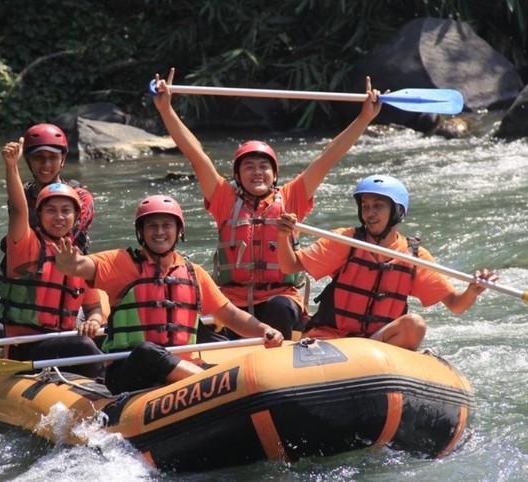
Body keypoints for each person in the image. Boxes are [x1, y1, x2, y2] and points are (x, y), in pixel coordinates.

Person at [151, 68, 383, 338]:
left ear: (275, 175)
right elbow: (196, 154)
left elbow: (328, 155)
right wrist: (166, 110)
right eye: (249, 167)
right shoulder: (224, 198)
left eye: (264, 166)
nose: (257, 172)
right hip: (232, 305)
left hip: (282, 300)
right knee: (195, 326)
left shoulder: (293, 196)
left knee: (278, 307)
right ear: (238, 176)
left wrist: (364, 117)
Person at [54, 194, 284, 394]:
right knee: (146, 352)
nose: (160, 232)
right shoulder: (123, 263)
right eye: (152, 226)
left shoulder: (194, 274)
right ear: (141, 232)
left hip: (184, 370)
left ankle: (208, 385)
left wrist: (264, 329)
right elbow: (82, 267)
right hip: (131, 370)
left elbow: (231, 316)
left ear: (179, 231)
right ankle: (209, 385)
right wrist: (69, 264)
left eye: (167, 225)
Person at [276, 174, 498, 350]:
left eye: (378, 206)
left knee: (415, 324)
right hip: (332, 338)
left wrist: (472, 290)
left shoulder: (414, 256)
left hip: (376, 345)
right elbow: (290, 266)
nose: (370, 213)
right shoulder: (345, 239)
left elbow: (456, 304)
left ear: (397, 212)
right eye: (365, 206)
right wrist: (282, 236)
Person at [0, 137, 104, 378]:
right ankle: (108, 399)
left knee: (99, 342)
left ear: (76, 217)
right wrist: (11, 166)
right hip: (26, 347)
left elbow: (94, 306)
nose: (59, 217)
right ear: (40, 214)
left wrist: (94, 321)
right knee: (84, 347)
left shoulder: (79, 259)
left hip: (60, 344)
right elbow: (17, 209)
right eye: (51, 211)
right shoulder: (26, 245)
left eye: (66, 211)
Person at [0, 123, 95, 290]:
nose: (46, 165)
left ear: (63, 159)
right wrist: (11, 165)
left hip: (67, 280)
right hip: (27, 279)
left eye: (53, 157)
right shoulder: (21, 196)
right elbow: (19, 240)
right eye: (39, 158)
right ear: (28, 159)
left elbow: (59, 246)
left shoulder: (81, 198)